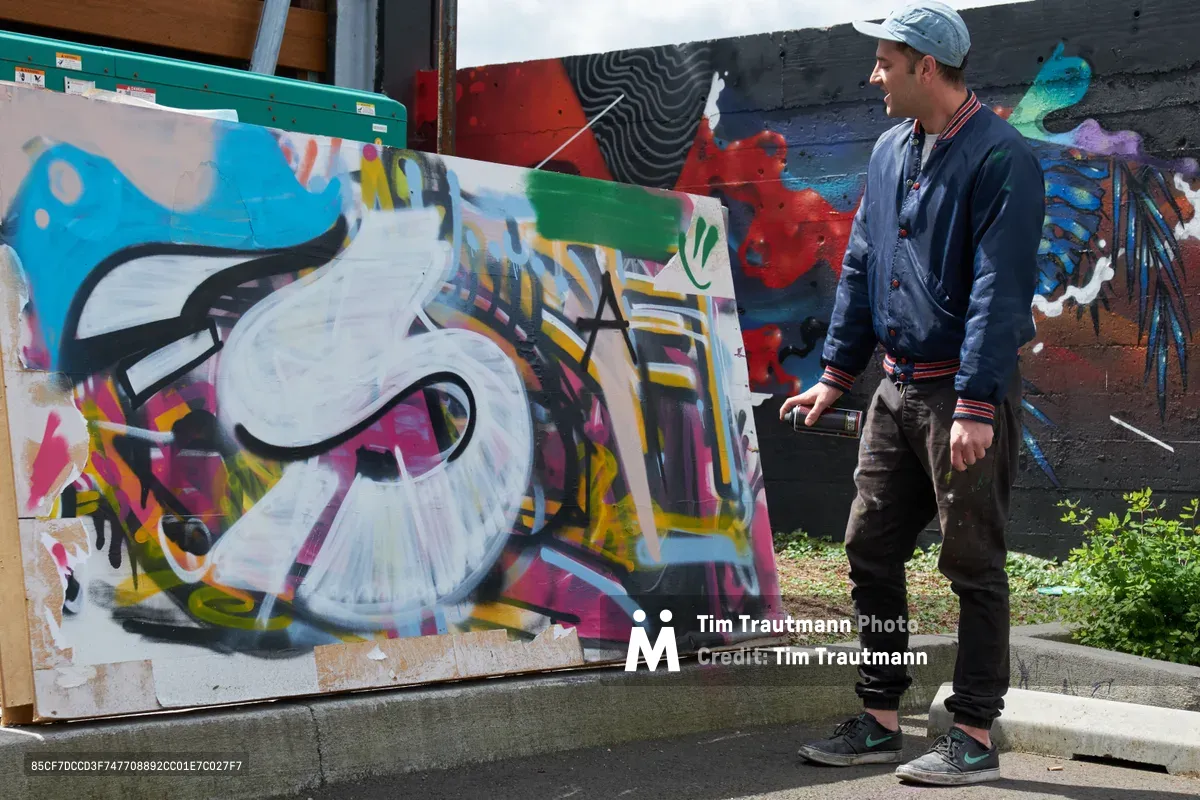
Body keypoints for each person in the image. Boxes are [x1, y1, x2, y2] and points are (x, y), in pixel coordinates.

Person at [781, 1, 1044, 787]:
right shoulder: (891, 149)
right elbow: (863, 263)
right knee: (869, 546)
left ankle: (972, 732)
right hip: (894, 393)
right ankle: (881, 718)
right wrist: (835, 375)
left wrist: (975, 404)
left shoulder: (1003, 159)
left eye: (886, 63)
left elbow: (1000, 290)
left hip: (959, 400)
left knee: (972, 563)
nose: (874, 77)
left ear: (927, 67)